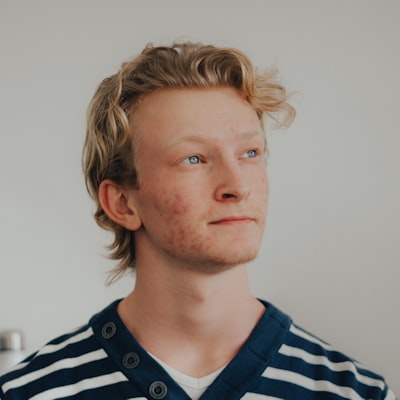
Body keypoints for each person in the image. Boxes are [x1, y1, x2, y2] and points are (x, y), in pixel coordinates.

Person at [0, 42, 396, 400]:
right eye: (194, 159)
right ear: (122, 203)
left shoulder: (359, 394)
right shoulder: (27, 394)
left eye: (250, 153)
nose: (237, 186)